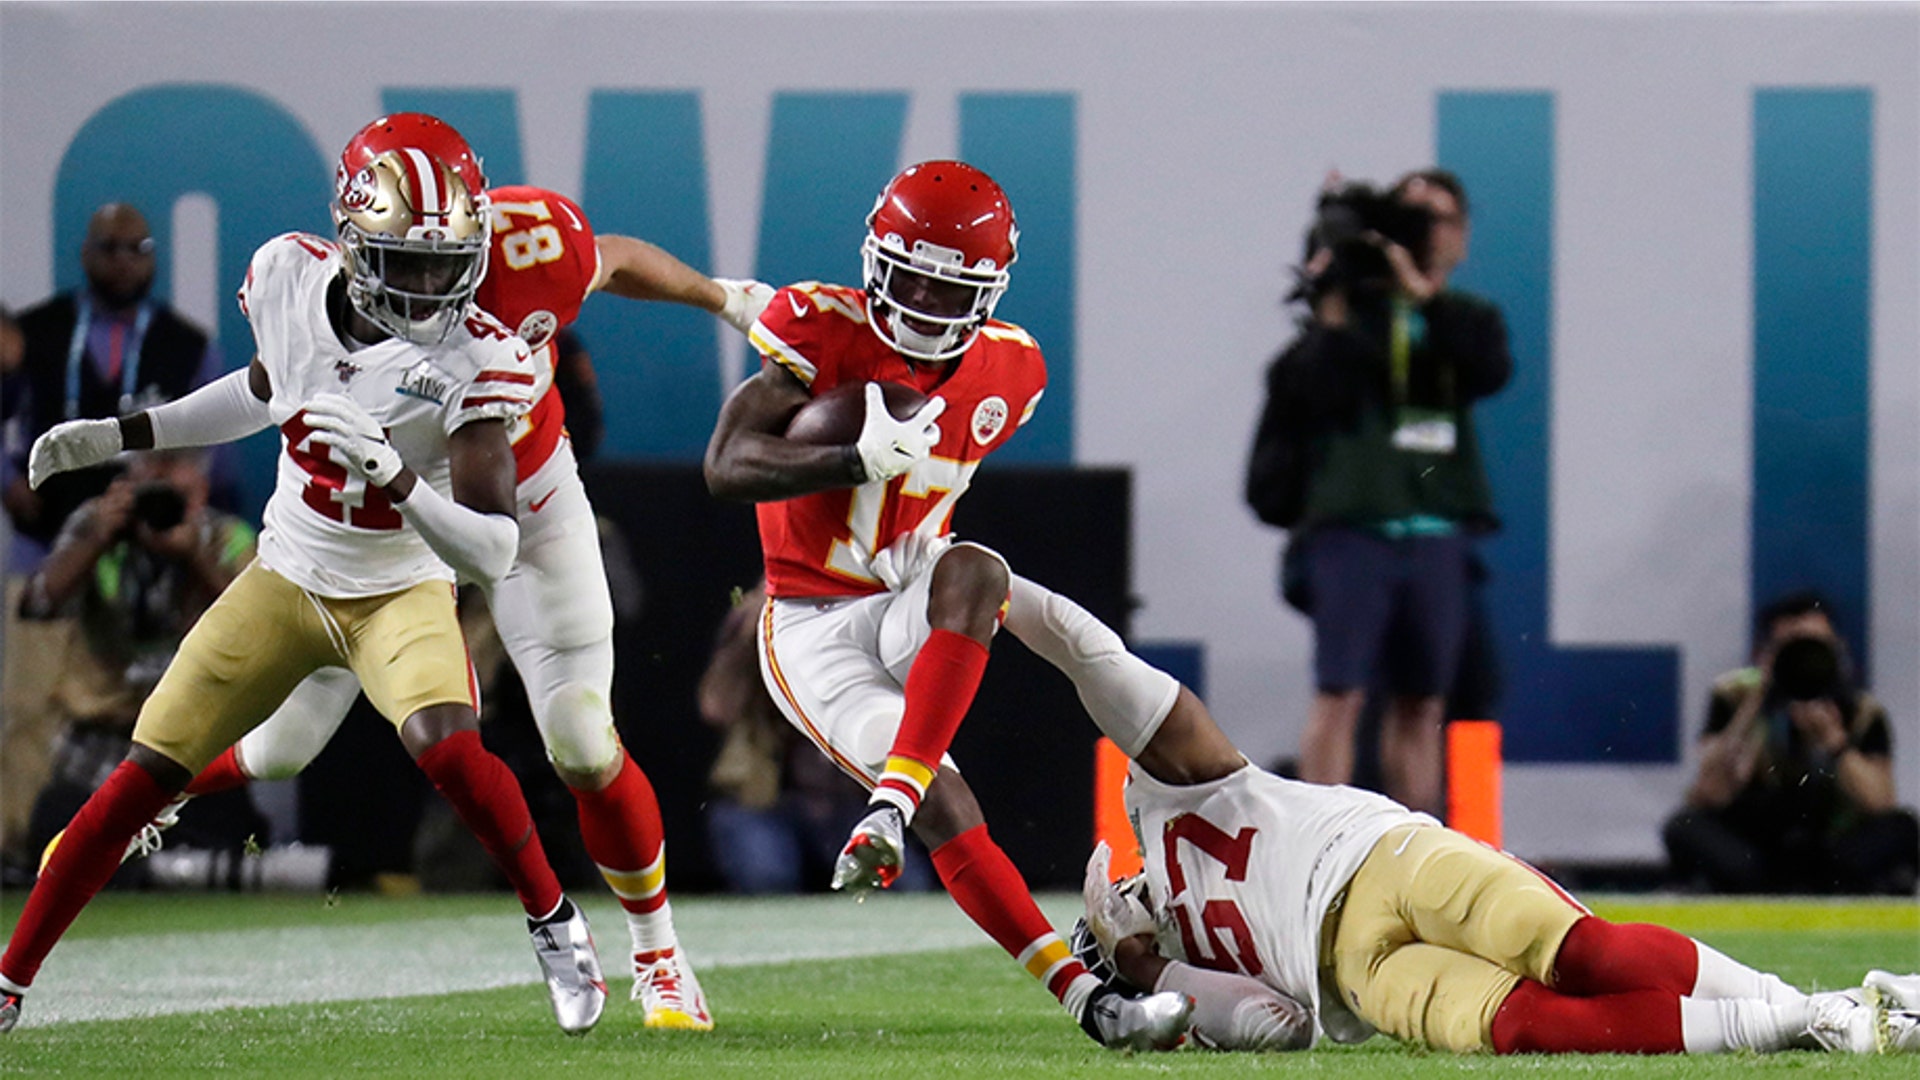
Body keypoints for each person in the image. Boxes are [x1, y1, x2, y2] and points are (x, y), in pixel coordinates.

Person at [23, 117, 775, 1031]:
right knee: (281, 746)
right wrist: (123, 435)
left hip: (520, 499)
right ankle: (157, 791)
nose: (430, 287)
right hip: (355, 538)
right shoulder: (294, 282)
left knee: (578, 737)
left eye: (448, 261)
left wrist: (725, 299)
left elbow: (610, 259)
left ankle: (658, 954)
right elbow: (268, 386)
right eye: (405, 264)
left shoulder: (519, 269)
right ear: (352, 244)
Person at [993, 577, 1920, 1056]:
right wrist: (1155, 968)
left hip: (1380, 856)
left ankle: (1816, 1010)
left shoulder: (1163, 796)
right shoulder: (1189, 968)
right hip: (1354, 974)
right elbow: (1280, 1026)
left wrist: (998, 588)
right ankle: (1814, 1018)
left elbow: (1093, 654)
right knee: (1523, 1029)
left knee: (1581, 953)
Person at [702, 159, 1191, 1051]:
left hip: (911, 578)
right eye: (910, 274)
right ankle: (1090, 1000)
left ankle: (1221, 790)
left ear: (991, 290)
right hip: (811, 623)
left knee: (1040, 609)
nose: (925, 299)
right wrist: (848, 460)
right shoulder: (817, 326)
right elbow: (726, 465)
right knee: (949, 805)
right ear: (874, 261)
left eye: (949, 283)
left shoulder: (1013, 369)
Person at [1280, 168, 1512, 816]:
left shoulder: (1465, 317)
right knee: (1340, 693)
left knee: (1423, 701)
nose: (1419, 234)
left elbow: (1488, 371)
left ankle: (1416, 856)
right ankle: (1316, 847)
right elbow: (1310, 395)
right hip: (1353, 525)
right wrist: (1332, 285)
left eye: (1434, 220)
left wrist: (1423, 296)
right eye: (1406, 219)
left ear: (1460, 238)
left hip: (1438, 530)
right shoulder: (1347, 316)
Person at [2, 205, 225, 872]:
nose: (124, 260)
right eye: (110, 247)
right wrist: (13, 488)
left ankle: (170, 847)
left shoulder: (187, 342)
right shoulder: (38, 332)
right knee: (27, 710)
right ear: (86, 253)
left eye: (138, 248)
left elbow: (213, 442)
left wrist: (188, 516)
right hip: (54, 545)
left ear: (154, 257)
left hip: (156, 560)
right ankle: (14, 855)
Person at [17, 449, 255, 859]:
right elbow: (38, 603)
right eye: (149, 465)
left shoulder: (226, 537)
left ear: (201, 483)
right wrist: (96, 538)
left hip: (193, 740)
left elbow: (254, 628)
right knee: (55, 840)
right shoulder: (98, 526)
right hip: (101, 740)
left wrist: (194, 554)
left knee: (218, 843)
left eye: (173, 464)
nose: (158, 478)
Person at [1663, 590, 1919, 895]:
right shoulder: (1734, 697)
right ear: (1765, 654)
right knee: (1685, 826)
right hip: (1756, 839)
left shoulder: (1862, 711)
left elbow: (1880, 803)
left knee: (1902, 827)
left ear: (1837, 649)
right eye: (1791, 648)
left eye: (1815, 647)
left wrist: (1836, 744)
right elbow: (1708, 794)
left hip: (1831, 843)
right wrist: (1756, 704)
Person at [697, 580, 929, 894]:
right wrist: (749, 638)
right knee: (766, 876)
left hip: (845, 800)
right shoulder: (761, 621)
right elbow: (717, 708)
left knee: (908, 887)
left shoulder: (862, 618)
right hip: (765, 797)